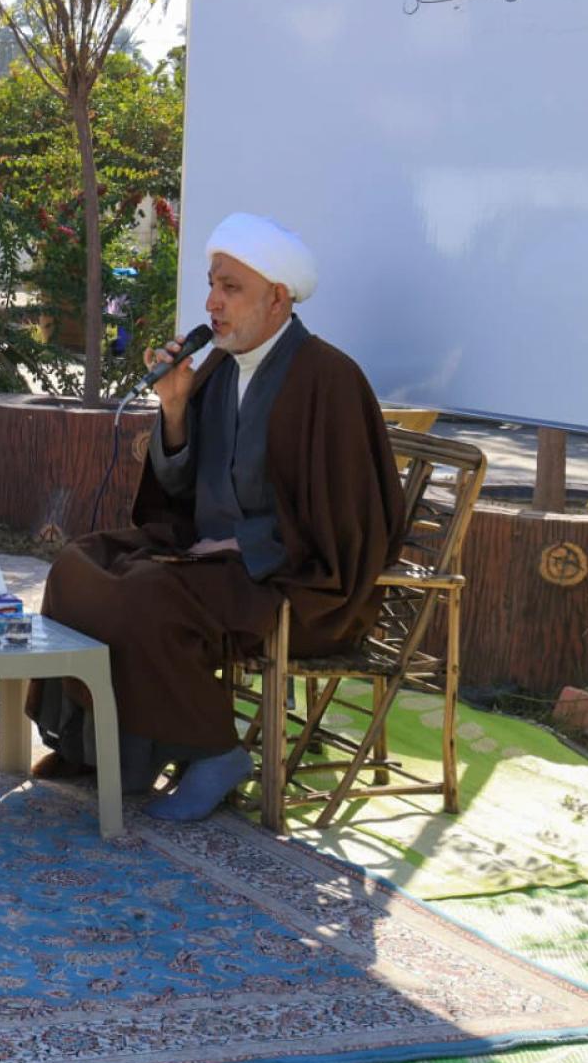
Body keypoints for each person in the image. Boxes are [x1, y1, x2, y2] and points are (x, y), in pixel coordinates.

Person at [29, 212, 404, 822]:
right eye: (212, 286)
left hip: (294, 579)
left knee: (144, 595)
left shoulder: (327, 379)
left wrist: (240, 546)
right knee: (77, 565)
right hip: (210, 558)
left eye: (231, 288)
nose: (212, 304)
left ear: (277, 298)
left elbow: (348, 520)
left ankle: (215, 753)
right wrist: (175, 408)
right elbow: (179, 490)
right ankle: (109, 753)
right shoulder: (219, 369)